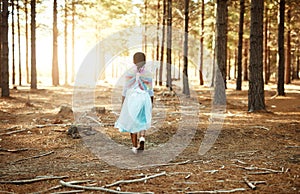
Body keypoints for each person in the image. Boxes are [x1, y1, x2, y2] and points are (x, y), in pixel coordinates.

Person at [115, 52, 154, 154]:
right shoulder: (148, 74)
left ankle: (134, 146)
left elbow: (125, 89)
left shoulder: (129, 73)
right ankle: (142, 137)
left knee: (132, 121)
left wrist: (123, 103)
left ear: (134, 61)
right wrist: (151, 102)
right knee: (143, 119)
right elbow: (150, 90)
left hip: (132, 98)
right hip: (144, 97)